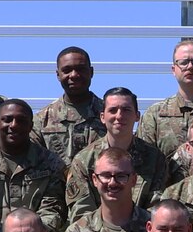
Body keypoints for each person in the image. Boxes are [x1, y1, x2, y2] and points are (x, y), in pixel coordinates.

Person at [0, 99, 69, 232]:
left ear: (31, 126)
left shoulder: (51, 164)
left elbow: (53, 210)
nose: (14, 125)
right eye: (7, 120)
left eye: (21, 120)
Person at [66, 88, 173, 216]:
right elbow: (81, 212)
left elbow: (157, 210)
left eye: (126, 110)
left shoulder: (154, 159)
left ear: (137, 116)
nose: (119, 116)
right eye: (112, 110)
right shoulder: (84, 161)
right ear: (102, 117)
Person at [138, 39, 193, 158]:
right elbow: (144, 163)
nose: (190, 66)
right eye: (183, 62)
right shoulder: (155, 115)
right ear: (173, 70)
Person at [35, 45, 106, 164]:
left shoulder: (111, 115)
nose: (74, 75)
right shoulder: (42, 121)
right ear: (58, 75)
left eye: (81, 69)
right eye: (67, 70)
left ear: (91, 72)